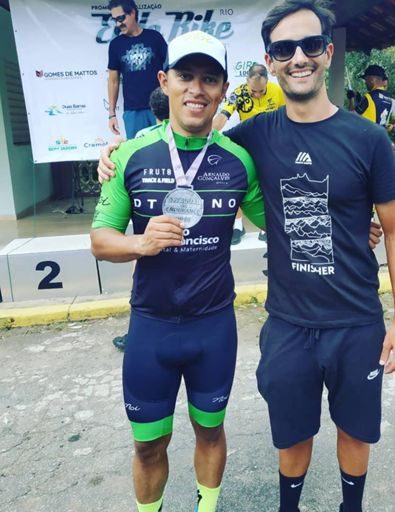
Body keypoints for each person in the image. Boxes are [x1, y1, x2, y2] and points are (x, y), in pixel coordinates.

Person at [97, 2, 395, 510]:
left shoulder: (365, 138)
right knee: (289, 432)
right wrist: (116, 154)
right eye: (285, 49)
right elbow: (195, 140)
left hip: (354, 318)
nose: (299, 57)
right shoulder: (253, 136)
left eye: (310, 45)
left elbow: (394, 231)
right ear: (271, 60)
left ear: (328, 53)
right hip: (283, 320)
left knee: (354, 430)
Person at [91, 31, 267, 512]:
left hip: (214, 327)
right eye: (185, 75)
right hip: (152, 328)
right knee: (148, 446)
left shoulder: (239, 161)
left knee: (210, 432)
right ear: (164, 81)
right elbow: (100, 240)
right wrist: (139, 243)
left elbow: (279, 221)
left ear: (223, 89)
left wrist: (351, 224)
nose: (196, 88)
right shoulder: (129, 155)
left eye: (209, 79)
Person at [111, 87, 171, 352]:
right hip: (178, 218)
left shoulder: (141, 137)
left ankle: (136, 331)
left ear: (153, 111)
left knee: (141, 277)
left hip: (149, 223)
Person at [213, 63, 286, 245]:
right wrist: (207, 134)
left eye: (261, 91)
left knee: (271, 185)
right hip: (248, 142)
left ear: (267, 82)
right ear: (246, 82)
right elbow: (223, 116)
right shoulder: (239, 93)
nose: (257, 94)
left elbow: (287, 117)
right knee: (238, 183)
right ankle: (238, 226)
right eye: (254, 91)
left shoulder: (277, 91)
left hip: (272, 145)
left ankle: (267, 226)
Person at [107, 0, 167, 139]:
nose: (118, 24)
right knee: (137, 151)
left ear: (133, 13)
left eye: (121, 18)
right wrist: (111, 114)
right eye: (115, 20)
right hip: (133, 112)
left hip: (161, 107)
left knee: (166, 148)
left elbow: (170, 71)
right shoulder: (115, 45)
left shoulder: (155, 37)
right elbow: (113, 81)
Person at [348, 64, 395, 133]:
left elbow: (351, 117)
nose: (365, 83)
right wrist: (392, 127)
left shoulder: (368, 98)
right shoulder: (393, 102)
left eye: (366, 79)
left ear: (371, 79)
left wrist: (351, 98)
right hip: (380, 138)